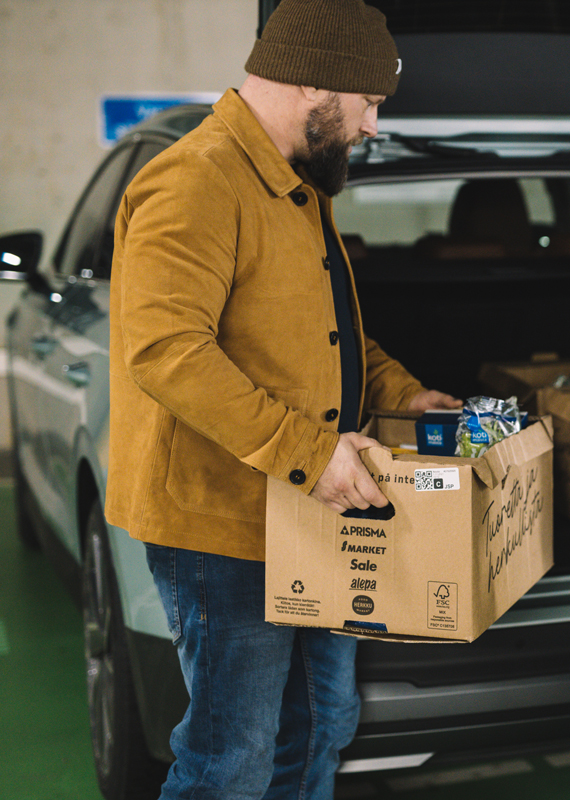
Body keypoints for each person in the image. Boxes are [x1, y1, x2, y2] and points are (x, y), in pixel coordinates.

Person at [106, 1, 460, 797]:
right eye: (368, 104)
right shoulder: (196, 181)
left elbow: (331, 338)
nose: (372, 126)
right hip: (224, 526)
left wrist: (408, 396)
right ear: (313, 85)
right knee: (231, 757)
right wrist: (311, 453)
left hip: (306, 507)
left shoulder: (299, 187)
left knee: (322, 726)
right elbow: (166, 351)